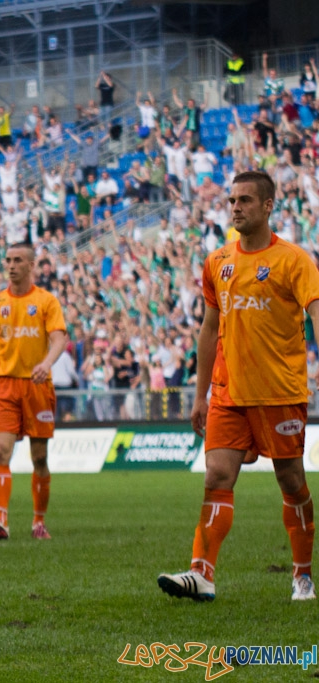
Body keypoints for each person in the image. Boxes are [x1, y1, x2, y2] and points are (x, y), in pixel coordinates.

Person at [158, 171, 319, 603]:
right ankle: (202, 573)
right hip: (228, 392)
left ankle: (302, 574)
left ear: (268, 206)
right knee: (216, 475)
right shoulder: (217, 262)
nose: (236, 207)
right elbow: (210, 330)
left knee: (291, 481)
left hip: (279, 393)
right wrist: (199, 394)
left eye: (246, 200)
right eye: (232, 200)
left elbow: (317, 315)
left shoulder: (294, 260)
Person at [0, 243, 68, 540]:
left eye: (18, 260)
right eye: (8, 260)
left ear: (31, 265)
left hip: (37, 386)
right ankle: (0, 522)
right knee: (1, 451)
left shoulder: (46, 301)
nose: (11, 265)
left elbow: (60, 338)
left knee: (39, 458)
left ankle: (39, 522)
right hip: (4, 385)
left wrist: (46, 362)